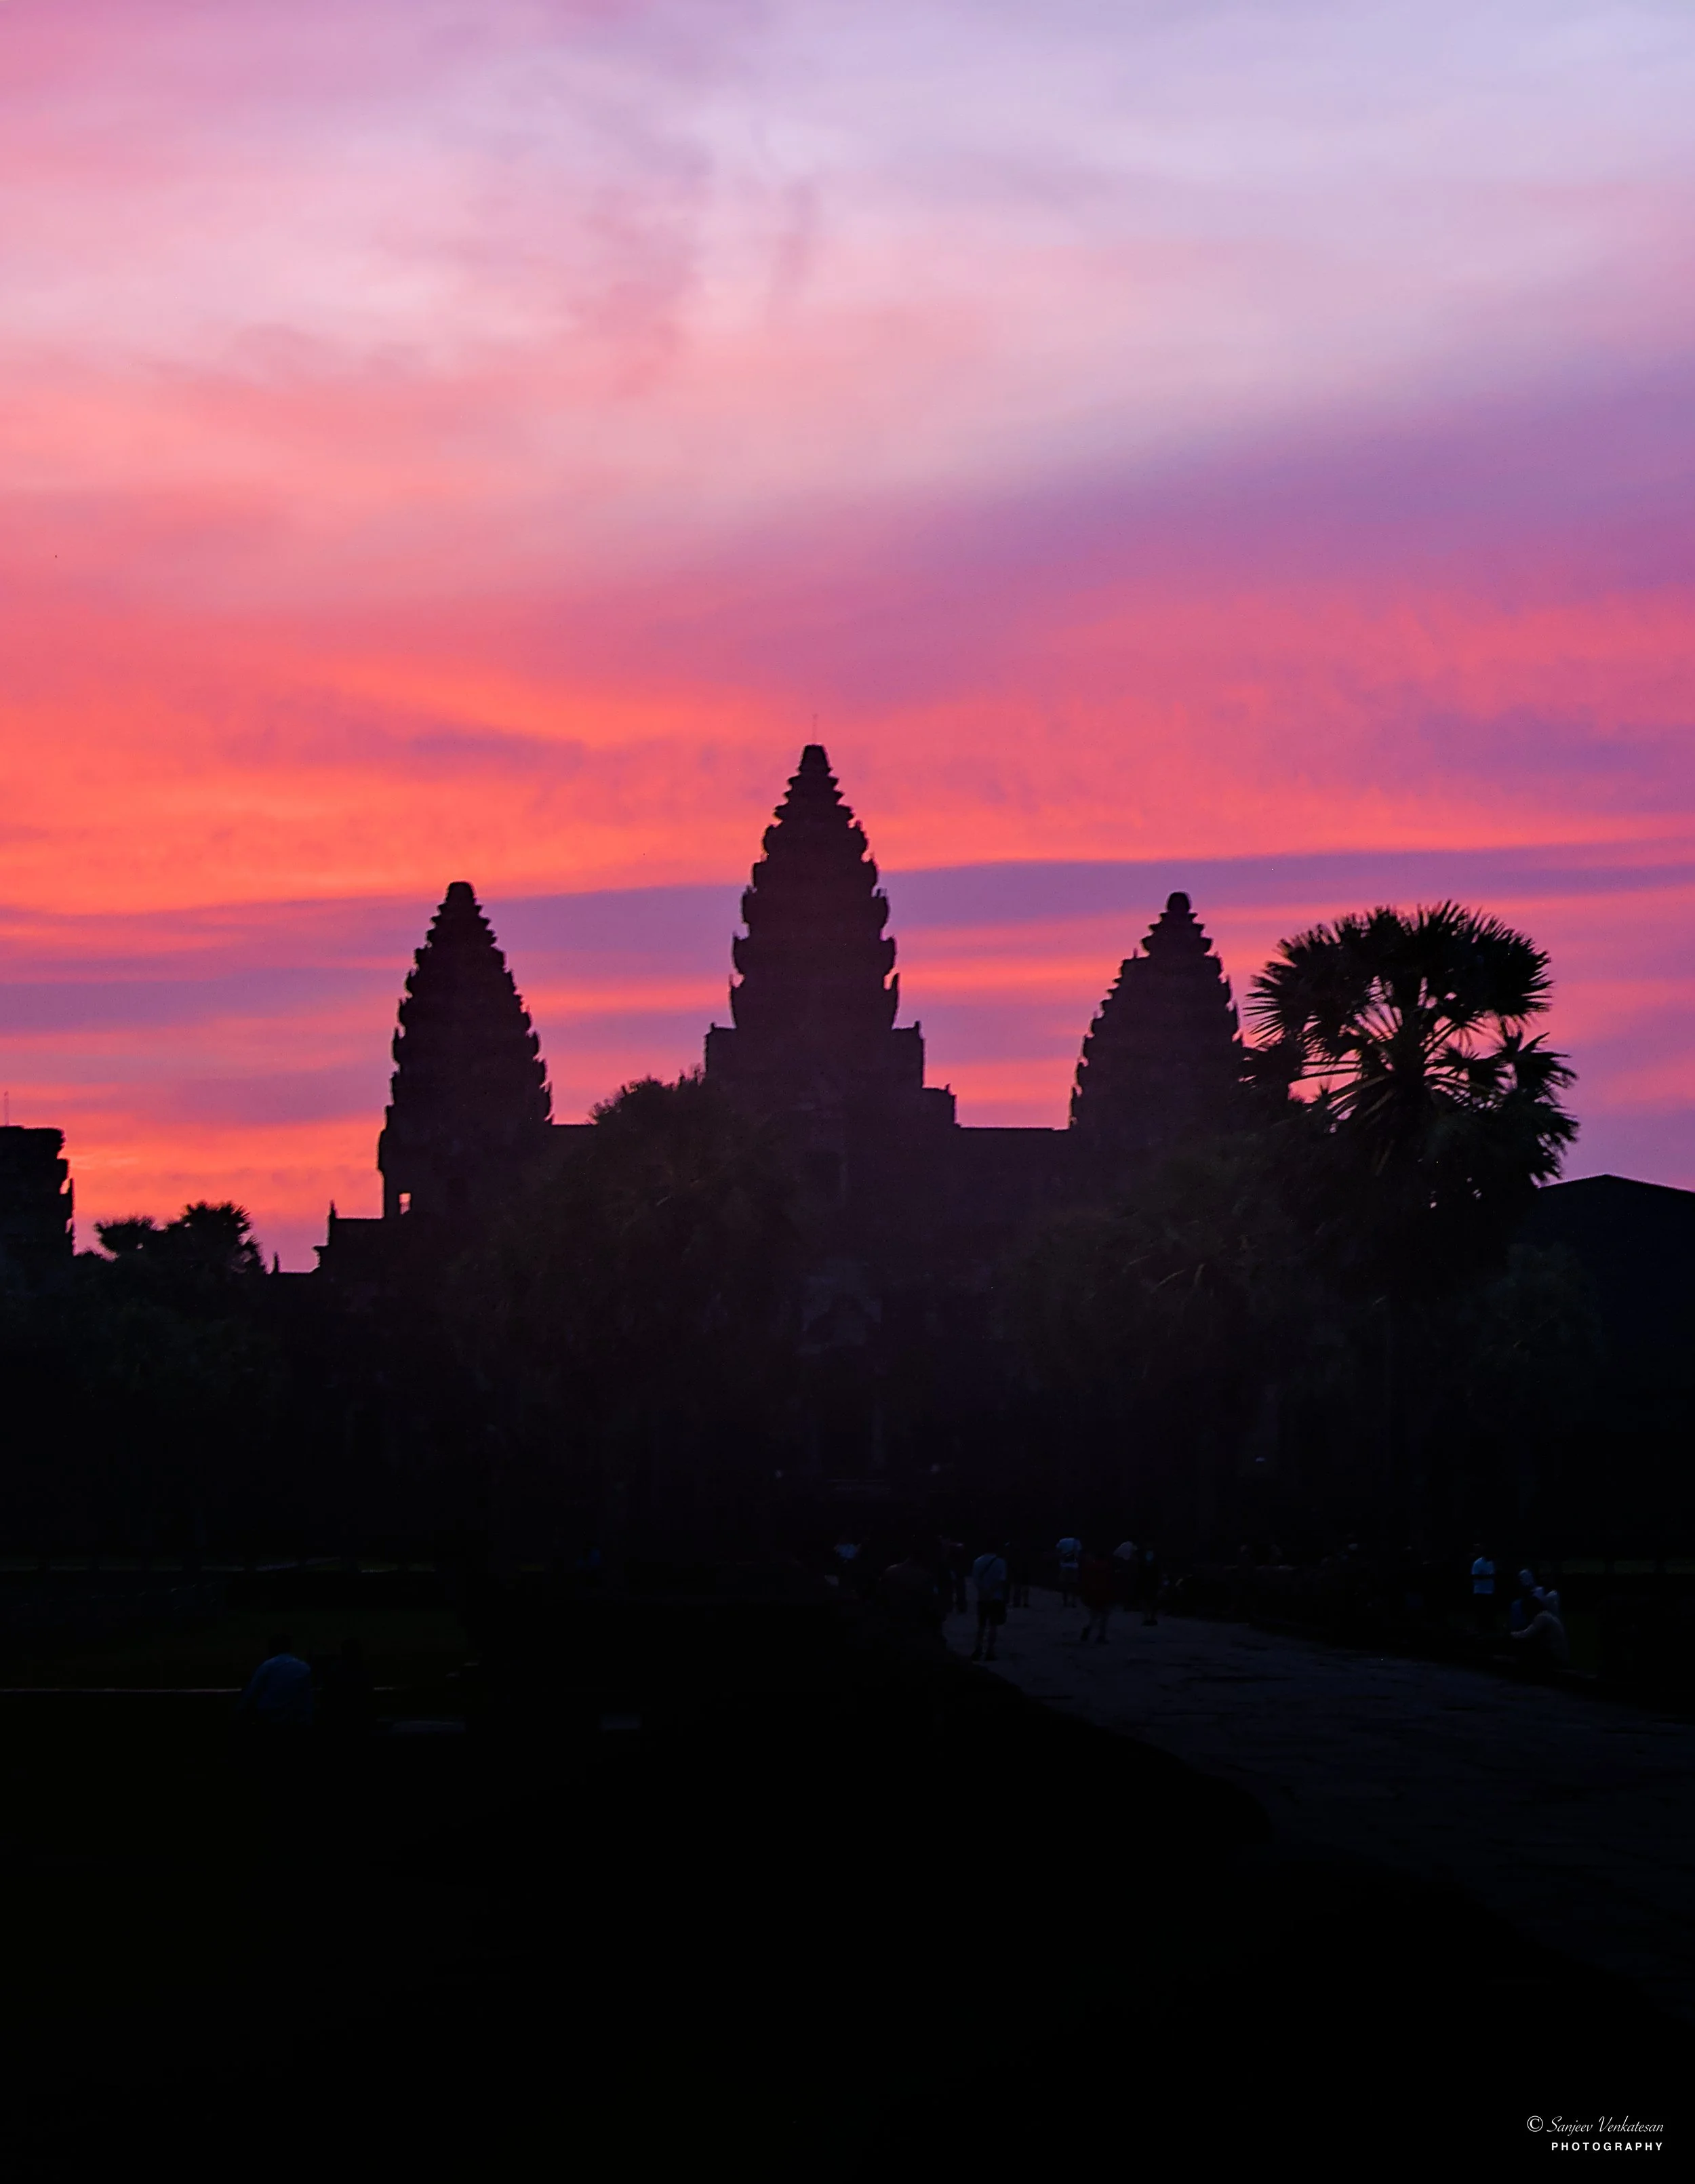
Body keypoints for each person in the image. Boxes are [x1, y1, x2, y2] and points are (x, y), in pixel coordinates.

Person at [237, 1634, 315, 1732]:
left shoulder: (268, 1666)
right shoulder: (304, 1667)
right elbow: (307, 1697)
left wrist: (240, 1713)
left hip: (270, 1722)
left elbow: (252, 1693)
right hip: (296, 1722)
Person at [315, 1635, 375, 1745]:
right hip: (359, 1719)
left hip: (339, 1720)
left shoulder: (334, 1670)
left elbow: (327, 1697)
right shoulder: (365, 1670)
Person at [970, 1544, 1010, 1662]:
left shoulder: (977, 1561)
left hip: (982, 1597)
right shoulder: (1001, 1562)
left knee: (981, 1625)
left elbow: (976, 1580)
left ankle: (978, 1648)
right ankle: (990, 1651)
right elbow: (1002, 1580)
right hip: (996, 1597)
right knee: (993, 1625)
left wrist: (984, 1591)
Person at [1511, 1595, 1569, 1673]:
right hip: (1560, 1654)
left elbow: (1527, 1634)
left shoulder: (1542, 1618)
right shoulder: (1548, 1615)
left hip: (1556, 1656)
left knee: (1526, 1647)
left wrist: (1511, 1635)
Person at [1077, 1550, 1115, 1644]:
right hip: (1104, 1594)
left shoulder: (1090, 1567)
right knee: (1104, 1616)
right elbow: (1110, 1582)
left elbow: (1085, 1580)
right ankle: (1101, 1636)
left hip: (1092, 1594)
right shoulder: (1107, 1568)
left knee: (1093, 1615)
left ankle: (1088, 1628)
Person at [1469, 1544, 1496, 1633]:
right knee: (1481, 1612)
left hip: (1490, 1591)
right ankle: (1480, 1628)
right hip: (1480, 1592)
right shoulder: (1477, 1563)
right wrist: (1488, 1577)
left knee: (1489, 1612)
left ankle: (1489, 1627)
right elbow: (1475, 1576)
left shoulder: (1491, 1563)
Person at [1136, 1546, 1161, 1626]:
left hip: (1151, 1585)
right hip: (1147, 1584)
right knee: (1147, 1602)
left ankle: (1150, 1618)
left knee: (1151, 1602)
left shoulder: (1154, 1565)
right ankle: (1148, 1618)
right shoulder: (1143, 1564)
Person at [1056, 1534, 1083, 1608]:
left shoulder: (1061, 1541)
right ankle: (1073, 1602)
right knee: (1074, 1585)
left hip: (1064, 1566)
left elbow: (1058, 1552)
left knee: (1064, 1584)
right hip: (1074, 1566)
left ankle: (1065, 1601)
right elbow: (1078, 1554)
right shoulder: (1077, 1542)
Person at [1007, 1541, 1033, 1610]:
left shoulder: (1013, 1548)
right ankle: (1025, 1602)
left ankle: (1017, 1602)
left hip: (1017, 1567)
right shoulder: (1027, 1547)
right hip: (1026, 1567)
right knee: (1025, 1585)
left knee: (1017, 1585)